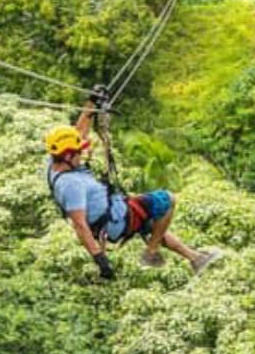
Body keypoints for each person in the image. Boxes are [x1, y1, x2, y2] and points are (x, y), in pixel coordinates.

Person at [45, 96, 220, 280]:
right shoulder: (71, 186)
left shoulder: (54, 164)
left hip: (115, 209)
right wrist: (100, 259)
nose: (82, 154)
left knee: (153, 225)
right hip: (117, 221)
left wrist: (91, 104)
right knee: (167, 199)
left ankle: (196, 259)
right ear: (67, 156)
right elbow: (80, 225)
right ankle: (151, 253)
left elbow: (79, 133)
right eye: (78, 152)